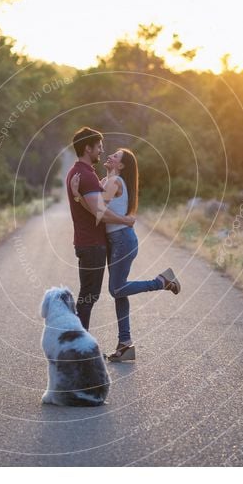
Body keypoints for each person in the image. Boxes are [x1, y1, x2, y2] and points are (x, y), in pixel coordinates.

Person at [71, 147, 181, 362]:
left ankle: (162, 281)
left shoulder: (115, 182)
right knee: (121, 292)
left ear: (120, 165)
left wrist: (77, 196)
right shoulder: (107, 181)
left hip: (122, 240)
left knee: (117, 289)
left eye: (115, 156)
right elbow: (98, 209)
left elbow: (99, 213)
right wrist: (79, 197)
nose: (109, 156)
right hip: (118, 241)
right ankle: (125, 344)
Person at [66, 127, 136, 332]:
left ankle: (80, 344)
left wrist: (78, 196)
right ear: (87, 148)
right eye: (98, 146)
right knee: (88, 298)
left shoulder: (85, 173)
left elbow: (99, 207)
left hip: (90, 244)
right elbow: (101, 213)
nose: (101, 150)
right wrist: (124, 220)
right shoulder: (85, 175)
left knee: (89, 296)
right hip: (92, 245)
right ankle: (80, 349)